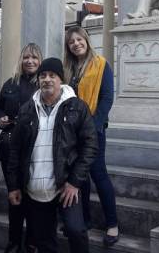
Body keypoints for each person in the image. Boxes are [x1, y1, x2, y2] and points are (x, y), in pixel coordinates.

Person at [6, 58, 98, 253]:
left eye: (52, 75)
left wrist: (74, 182)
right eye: (43, 76)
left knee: (76, 231)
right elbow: (15, 149)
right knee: (45, 241)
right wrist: (14, 185)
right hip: (36, 188)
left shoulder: (77, 107)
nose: (47, 79)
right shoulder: (27, 110)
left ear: (60, 80)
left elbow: (90, 146)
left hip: (65, 185)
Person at [64, 26, 119, 246]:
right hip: (71, 131)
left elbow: (106, 99)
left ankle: (113, 224)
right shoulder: (68, 68)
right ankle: (84, 220)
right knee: (80, 177)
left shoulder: (101, 64)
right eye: (71, 42)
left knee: (98, 175)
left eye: (79, 39)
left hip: (93, 130)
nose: (76, 43)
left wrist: (93, 127)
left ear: (86, 40)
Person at [0, 43, 43, 253]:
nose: (29, 61)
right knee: (14, 197)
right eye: (26, 57)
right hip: (10, 150)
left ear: (39, 61)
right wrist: (0, 119)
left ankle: (32, 242)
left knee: (32, 198)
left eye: (34, 58)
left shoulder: (44, 84)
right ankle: (14, 241)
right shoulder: (10, 83)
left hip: (36, 150)